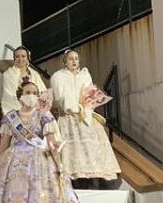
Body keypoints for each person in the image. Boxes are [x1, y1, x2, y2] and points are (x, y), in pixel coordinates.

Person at [50, 50, 121, 188]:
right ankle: (75, 181)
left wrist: (87, 106)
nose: (74, 61)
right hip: (69, 117)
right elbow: (59, 98)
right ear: (65, 61)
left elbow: (89, 93)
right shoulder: (58, 76)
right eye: (71, 59)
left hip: (86, 115)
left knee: (93, 146)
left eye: (76, 58)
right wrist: (74, 107)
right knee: (73, 149)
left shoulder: (84, 75)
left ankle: (96, 179)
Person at [0, 46, 48, 115]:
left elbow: (43, 91)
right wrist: (24, 109)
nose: (20, 59)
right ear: (14, 59)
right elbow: (9, 95)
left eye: (23, 56)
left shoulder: (34, 74)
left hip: (36, 109)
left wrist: (37, 105)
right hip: (18, 109)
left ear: (28, 58)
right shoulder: (8, 74)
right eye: (17, 56)